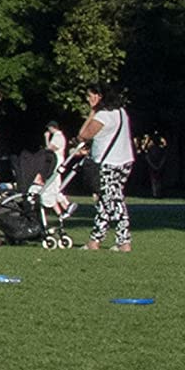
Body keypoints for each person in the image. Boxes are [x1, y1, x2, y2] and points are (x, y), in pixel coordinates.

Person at [75, 85, 134, 252]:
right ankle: (95, 240)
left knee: (114, 202)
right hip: (124, 160)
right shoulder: (121, 112)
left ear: (98, 96)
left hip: (108, 163)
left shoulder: (103, 116)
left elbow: (83, 135)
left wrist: (92, 112)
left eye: (90, 96)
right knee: (105, 201)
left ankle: (124, 241)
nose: (88, 99)